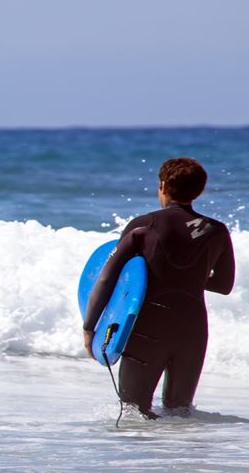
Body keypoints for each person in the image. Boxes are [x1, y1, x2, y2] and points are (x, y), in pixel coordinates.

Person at [83, 157, 235, 418]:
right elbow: (224, 285)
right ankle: (178, 458)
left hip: (148, 329)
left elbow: (110, 278)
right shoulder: (217, 231)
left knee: (133, 413)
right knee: (180, 414)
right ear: (199, 190)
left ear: (163, 186)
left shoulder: (143, 226)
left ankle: (143, 460)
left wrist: (90, 328)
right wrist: (189, 278)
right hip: (193, 330)